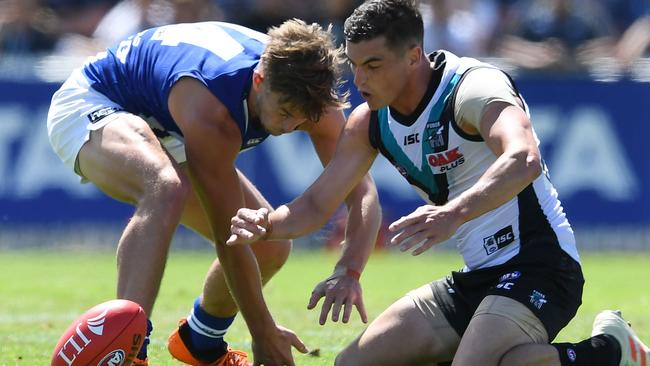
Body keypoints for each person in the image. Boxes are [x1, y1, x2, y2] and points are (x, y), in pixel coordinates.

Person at [228, 1, 650, 365]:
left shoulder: (472, 88)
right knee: (354, 361)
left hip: (541, 266)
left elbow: (524, 158)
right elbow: (319, 203)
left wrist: (453, 214)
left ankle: (609, 352)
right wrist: (268, 224)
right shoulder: (370, 121)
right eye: (355, 66)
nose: (360, 81)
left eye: (373, 66)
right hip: (477, 276)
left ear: (414, 56)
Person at [47, 19, 381, 366]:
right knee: (164, 187)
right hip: (95, 101)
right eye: (283, 113)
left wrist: (349, 270)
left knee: (269, 245)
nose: (288, 127)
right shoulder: (213, 110)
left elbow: (361, 192)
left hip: (165, 121)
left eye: (300, 120)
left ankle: (200, 341)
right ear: (259, 80)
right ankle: (131, 353)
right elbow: (229, 235)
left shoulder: (311, 98)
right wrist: (262, 331)